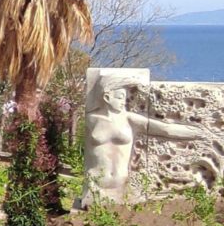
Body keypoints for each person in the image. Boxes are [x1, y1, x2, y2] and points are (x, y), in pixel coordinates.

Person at [83, 76, 204, 204]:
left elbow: (165, 129)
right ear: (107, 97)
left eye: (125, 98)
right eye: (119, 97)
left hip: (123, 187)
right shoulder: (92, 119)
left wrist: (198, 133)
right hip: (94, 184)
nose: (124, 102)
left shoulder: (128, 119)